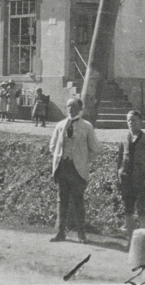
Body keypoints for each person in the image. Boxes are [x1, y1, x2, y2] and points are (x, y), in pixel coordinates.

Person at [49, 97, 101, 243]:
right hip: (62, 168)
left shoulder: (87, 126)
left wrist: (82, 160)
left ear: (80, 108)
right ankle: (60, 233)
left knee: (78, 201)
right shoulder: (60, 125)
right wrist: (60, 157)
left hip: (77, 169)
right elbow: (52, 146)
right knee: (61, 201)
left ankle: (81, 234)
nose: (70, 109)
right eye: (68, 106)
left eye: (73, 106)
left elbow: (95, 149)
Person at [116, 110, 145, 237]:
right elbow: (119, 158)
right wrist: (118, 175)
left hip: (140, 178)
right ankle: (131, 239)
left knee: (142, 208)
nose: (131, 123)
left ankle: (144, 239)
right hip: (126, 178)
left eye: (134, 120)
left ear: (140, 122)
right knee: (128, 208)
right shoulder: (123, 138)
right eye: (128, 120)